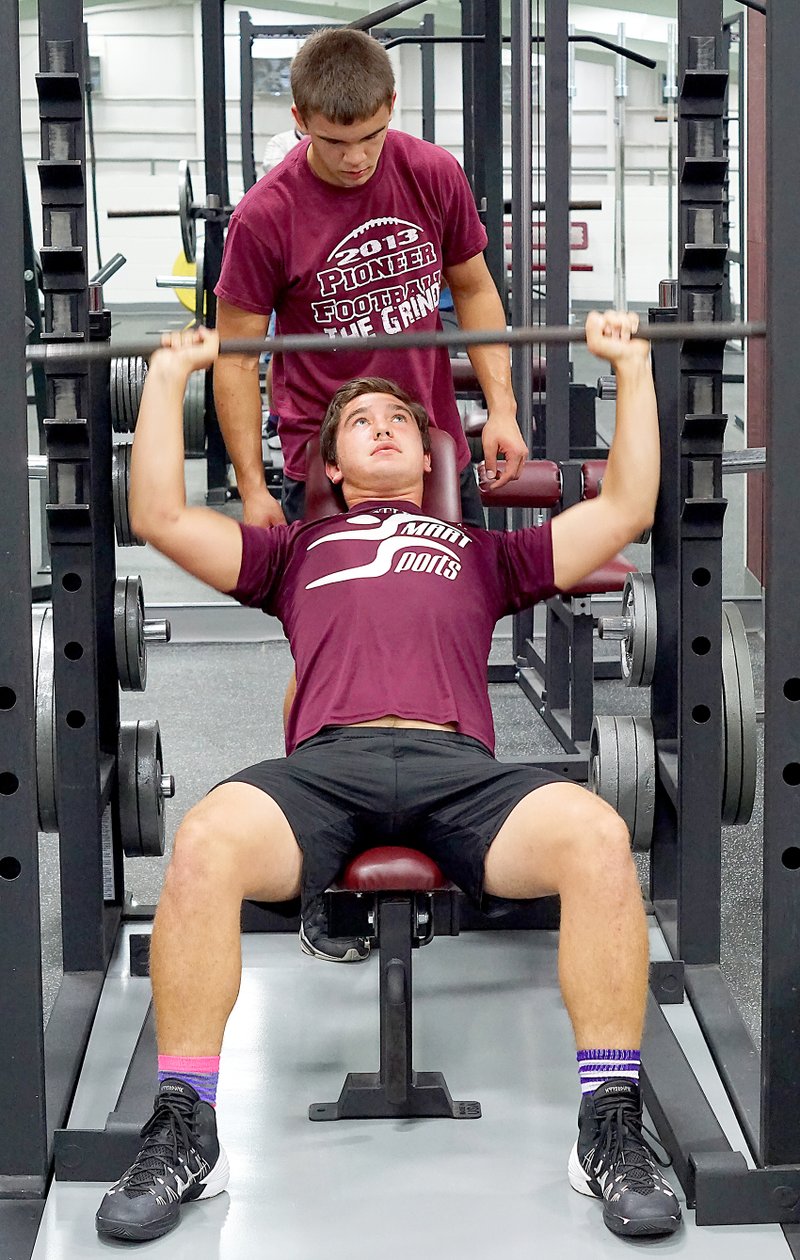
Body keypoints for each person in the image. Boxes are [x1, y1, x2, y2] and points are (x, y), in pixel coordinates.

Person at [94, 311, 681, 1245]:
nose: (381, 425)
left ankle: (607, 1123)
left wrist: (633, 370)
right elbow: (159, 517)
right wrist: (171, 378)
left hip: (459, 768)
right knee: (204, 840)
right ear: (330, 468)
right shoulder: (292, 553)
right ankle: (188, 1126)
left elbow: (625, 511)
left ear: (426, 455)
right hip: (326, 767)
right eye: (359, 422)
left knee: (597, 836)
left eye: (399, 420)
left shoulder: (484, 555)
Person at [213, 26, 528, 534]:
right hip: (328, 461)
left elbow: (473, 289)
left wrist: (503, 410)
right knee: (339, 609)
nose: (355, 158)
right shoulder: (264, 216)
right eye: (334, 142)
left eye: (370, 136)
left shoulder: (434, 173)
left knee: (460, 605)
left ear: (391, 107)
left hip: (430, 448)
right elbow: (237, 360)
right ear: (299, 120)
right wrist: (252, 488)